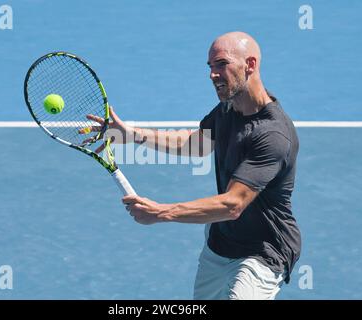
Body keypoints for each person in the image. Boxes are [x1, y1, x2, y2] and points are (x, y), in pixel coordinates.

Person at [84, 31, 301, 300]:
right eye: (210, 67)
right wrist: (131, 134)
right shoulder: (229, 108)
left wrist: (161, 212)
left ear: (250, 65)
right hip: (219, 246)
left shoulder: (272, 135)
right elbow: (197, 143)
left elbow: (232, 204)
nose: (213, 74)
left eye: (221, 64)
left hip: (262, 252)